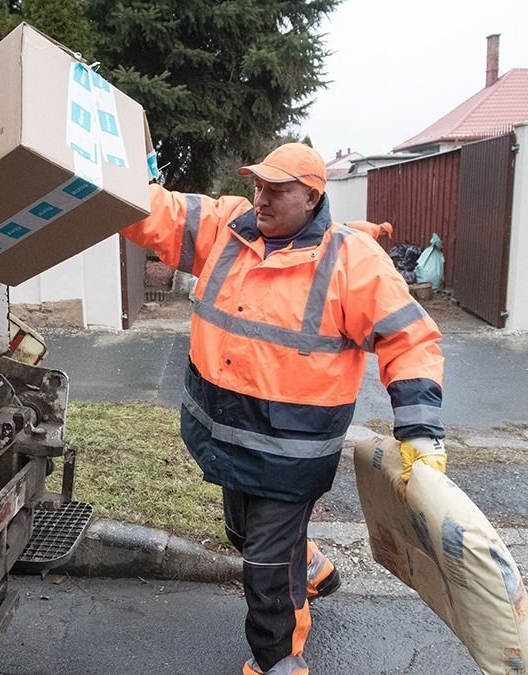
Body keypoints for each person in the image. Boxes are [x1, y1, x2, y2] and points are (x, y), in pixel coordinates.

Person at [121, 143, 447, 675]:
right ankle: (311, 564)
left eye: (278, 189)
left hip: (292, 457)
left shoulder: (352, 262)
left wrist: (421, 432)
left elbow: (410, 341)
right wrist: (103, 186)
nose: (262, 197)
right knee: (243, 535)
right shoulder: (229, 227)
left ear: (312, 196)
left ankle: (279, 661)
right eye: (259, 185)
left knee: (267, 573)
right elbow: (162, 214)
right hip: (228, 440)